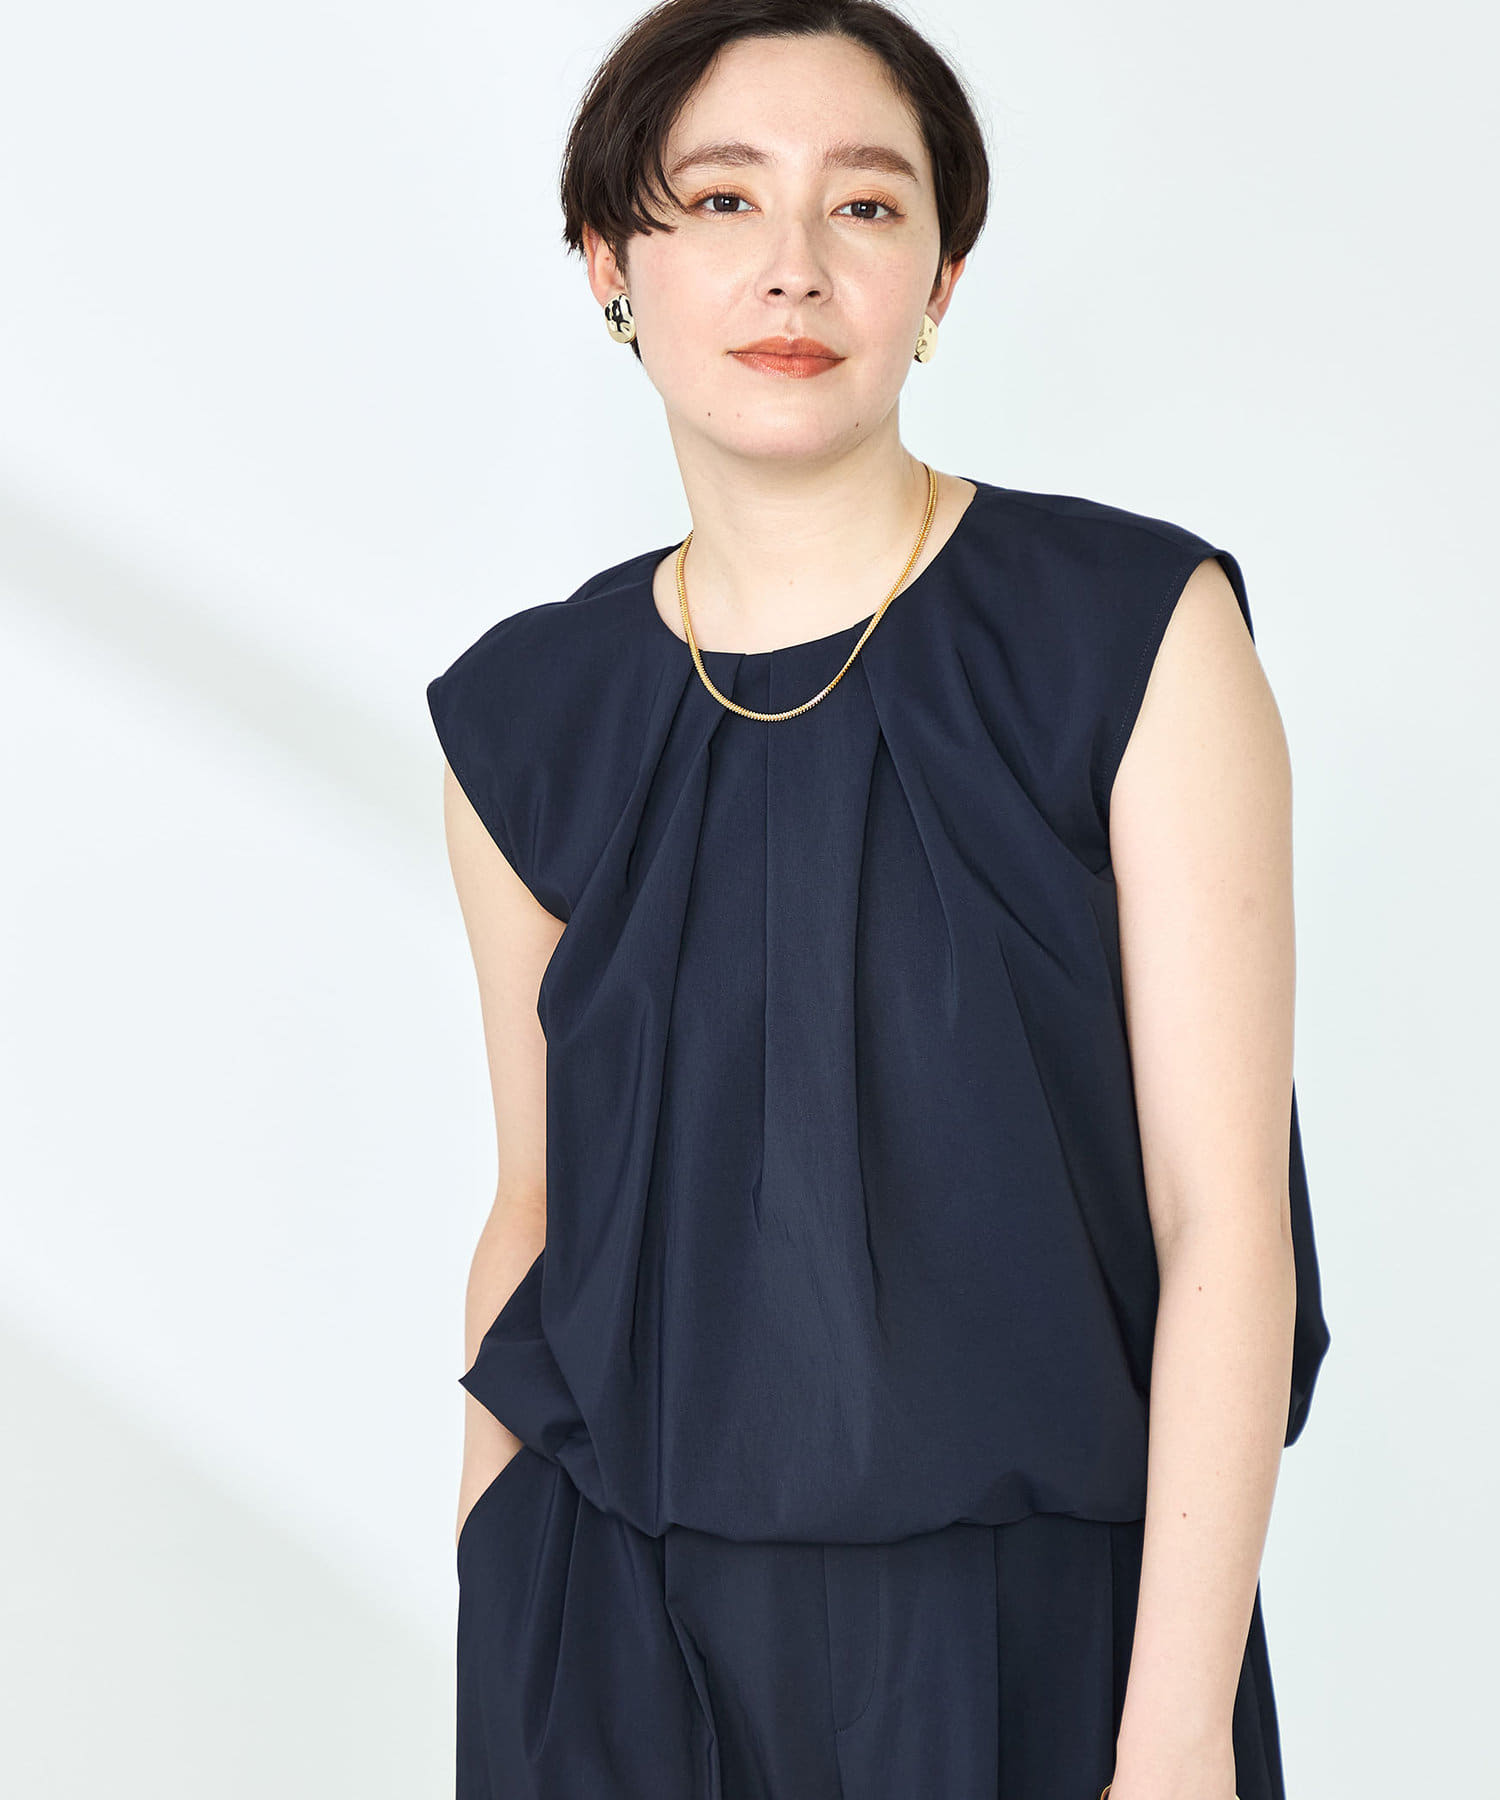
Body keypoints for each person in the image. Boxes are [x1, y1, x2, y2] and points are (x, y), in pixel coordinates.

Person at [425, 3, 1332, 1797]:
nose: (794, 266)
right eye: (721, 201)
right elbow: (538, 1209)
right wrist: (492, 1599)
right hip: (612, 1641)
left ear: (941, 277)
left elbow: (1224, 1222)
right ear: (610, 263)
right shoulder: (525, 717)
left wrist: (1173, 1734)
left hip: (1044, 1647)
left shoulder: (1130, 634)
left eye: (863, 205)